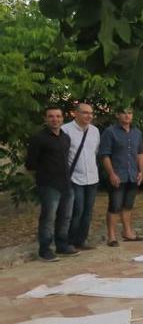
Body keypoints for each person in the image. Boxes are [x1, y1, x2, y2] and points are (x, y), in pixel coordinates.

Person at [26, 106, 77, 261]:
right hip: (49, 185)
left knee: (65, 216)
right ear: (45, 119)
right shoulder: (39, 138)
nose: (55, 119)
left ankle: (62, 245)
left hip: (66, 183)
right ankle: (45, 249)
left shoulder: (65, 137)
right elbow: (30, 164)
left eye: (58, 116)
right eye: (51, 116)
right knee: (48, 218)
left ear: (63, 118)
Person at [99, 107, 143, 246]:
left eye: (130, 113)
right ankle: (111, 236)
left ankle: (127, 232)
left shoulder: (137, 133)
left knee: (128, 205)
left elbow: (140, 153)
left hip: (133, 175)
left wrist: (141, 171)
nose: (127, 116)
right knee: (115, 206)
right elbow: (105, 155)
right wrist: (111, 173)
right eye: (124, 113)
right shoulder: (110, 132)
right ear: (117, 115)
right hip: (118, 174)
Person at [63, 103, 100, 250]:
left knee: (88, 211)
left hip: (92, 177)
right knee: (77, 210)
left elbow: (95, 152)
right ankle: (70, 240)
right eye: (85, 113)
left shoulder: (95, 131)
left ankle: (82, 239)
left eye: (91, 113)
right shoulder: (66, 130)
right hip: (74, 178)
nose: (89, 116)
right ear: (75, 114)